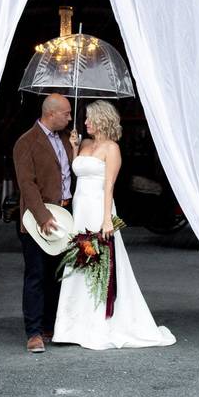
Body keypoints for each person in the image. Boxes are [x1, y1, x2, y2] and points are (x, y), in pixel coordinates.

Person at [53, 100, 176, 350]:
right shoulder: (85, 144)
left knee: (101, 263)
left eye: (89, 118)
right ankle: (73, 325)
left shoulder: (112, 149)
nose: (85, 122)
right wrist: (74, 148)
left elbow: (108, 185)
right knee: (79, 262)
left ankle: (100, 321)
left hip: (99, 207)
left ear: (100, 120)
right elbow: (77, 172)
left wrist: (107, 217)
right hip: (80, 209)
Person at [12, 93, 76, 353]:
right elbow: (26, 184)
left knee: (58, 275)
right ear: (51, 114)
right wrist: (42, 217)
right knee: (36, 275)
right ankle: (34, 332)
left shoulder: (65, 139)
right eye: (67, 114)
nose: (70, 118)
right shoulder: (26, 142)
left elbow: (71, 173)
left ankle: (52, 325)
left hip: (65, 216)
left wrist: (75, 149)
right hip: (38, 220)